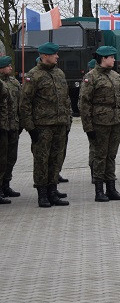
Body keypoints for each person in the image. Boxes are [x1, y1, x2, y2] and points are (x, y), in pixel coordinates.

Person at [19, 43, 71, 207]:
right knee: (42, 160)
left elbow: (66, 98)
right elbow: (25, 103)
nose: (57, 57)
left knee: (56, 159)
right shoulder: (33, 75)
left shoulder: (59, 73)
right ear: (45, 56)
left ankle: (52, 191)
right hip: (42, 126)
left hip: (60, 124)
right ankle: (42, 194)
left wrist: (68, 120)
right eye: (54, 54)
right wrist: (30, 127)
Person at [79, 45, 120, 202]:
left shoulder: (115, 76)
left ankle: (111, 188)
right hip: (100, 122)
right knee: (100, 156)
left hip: (116, 120)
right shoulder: (91, 77)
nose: (114, 59)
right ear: (103, 59)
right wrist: (88, 127)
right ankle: (99, 190)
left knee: (111, 156)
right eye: (111, 57)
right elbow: (84, 103)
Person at [0, 55, 21, 200]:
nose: (11, 68)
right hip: (2, 127)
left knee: (11, 158)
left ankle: (6, 185)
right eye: (8, 66)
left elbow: (20, 103)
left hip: (14, 126)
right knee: (1, 159)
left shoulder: (14, 82)